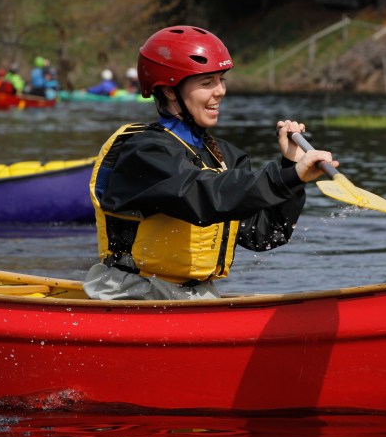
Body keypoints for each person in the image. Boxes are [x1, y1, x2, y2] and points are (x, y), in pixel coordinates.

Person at [83, 25, 337, 300]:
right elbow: (199, 193)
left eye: (221, 79)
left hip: (194, 296)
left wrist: (290, 168)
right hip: (130, 294)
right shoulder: (143, 153)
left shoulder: (225, 157)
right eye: (207, 83)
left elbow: (266, 235)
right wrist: (284, 177)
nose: (220, 91)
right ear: (170, 91)